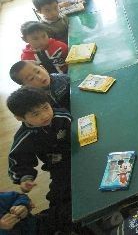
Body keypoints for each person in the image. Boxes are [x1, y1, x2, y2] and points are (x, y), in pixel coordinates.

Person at [6, 87, 72, 234]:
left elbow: (78, 126)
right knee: (59, 197)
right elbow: (18, 160)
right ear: (20, 118)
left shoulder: (62, 116)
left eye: (46, 108)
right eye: (35, 114)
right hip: (58, 166)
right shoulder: (24, 138)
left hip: (77, 153)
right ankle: (61, 222)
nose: (44, 115)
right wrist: (25, 178)